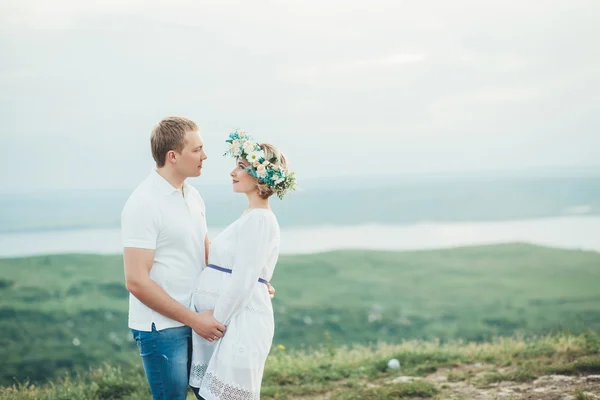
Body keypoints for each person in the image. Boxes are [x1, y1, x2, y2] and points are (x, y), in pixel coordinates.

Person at [189, 130, 296, 400]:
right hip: (226, 327)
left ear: (261, 175)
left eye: (241, 167)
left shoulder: (260, 219)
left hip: (236, 326)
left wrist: (215, 321)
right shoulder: (249, 215)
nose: (232, 172)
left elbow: (244, 279)